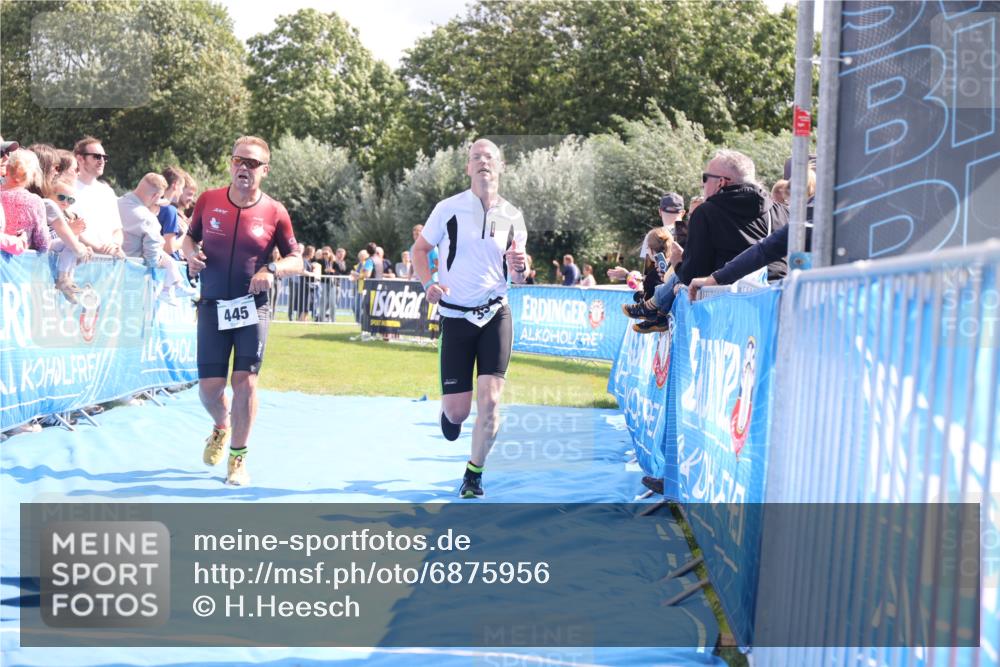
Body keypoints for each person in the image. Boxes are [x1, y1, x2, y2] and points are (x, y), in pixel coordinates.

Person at [182, 136, 302, 486]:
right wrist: (190, 254)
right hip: (212, 305)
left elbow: (297, 258)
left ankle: (238, 458)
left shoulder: (275, 211)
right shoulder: (209, 200)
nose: (243, 168)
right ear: (231, 164)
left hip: (253, 307)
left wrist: (272, 270)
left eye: (252, 163)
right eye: (239, 161)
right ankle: (222, 426)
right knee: (209, 389)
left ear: (265, 170)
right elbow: (190, 238)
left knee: (245, 382)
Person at [412, 138, 528, 499]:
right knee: (459, 413)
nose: (482, 162)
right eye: (475, 157)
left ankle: (473, 475)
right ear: (467, 168)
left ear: (500, 166)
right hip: (456, 316)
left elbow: (521, 273)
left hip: (495, 312)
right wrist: (429, 282)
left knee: (491, 401)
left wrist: (521, 269)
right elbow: (420, 249)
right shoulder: (447, 209)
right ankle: (450, 414)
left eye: (489, 157)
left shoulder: (512, 215)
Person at [627, 149, 789, 333]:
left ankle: (652, 307)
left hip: (728, 321)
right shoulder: (783, 212)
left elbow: (693, 276)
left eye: (705, 178)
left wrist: (679, 262)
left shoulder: (706, 213)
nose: (701, 184)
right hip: (779, 307)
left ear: (721, 182)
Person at [73, 136, 125, 259]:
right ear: (80, 158)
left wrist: (115, 245)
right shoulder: (67, 189)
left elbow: (117, 230)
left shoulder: (107, 192)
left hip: (107, 264)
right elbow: (68, 228)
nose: (102, 161)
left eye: (104, 157)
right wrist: (98, 248)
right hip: (79, 262)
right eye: (96, 156)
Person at [44, 176, 92, 303]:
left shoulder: (68, 217)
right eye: (61, 197)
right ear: (49, 193)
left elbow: (70, 250)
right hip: (47, 247)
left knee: (75, 244)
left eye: (70, 200)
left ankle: (68, 279)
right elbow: (45, 237)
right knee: (72, 243)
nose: (65, 202)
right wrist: (70, 232)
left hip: (57, 254)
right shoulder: (46, 210)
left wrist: (83, 248)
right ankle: (63, 279)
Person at [1, 149, 50, 253]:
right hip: (20, 264)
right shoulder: (34, 202)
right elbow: (43, 243)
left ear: (7, 168)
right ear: (32, 174)